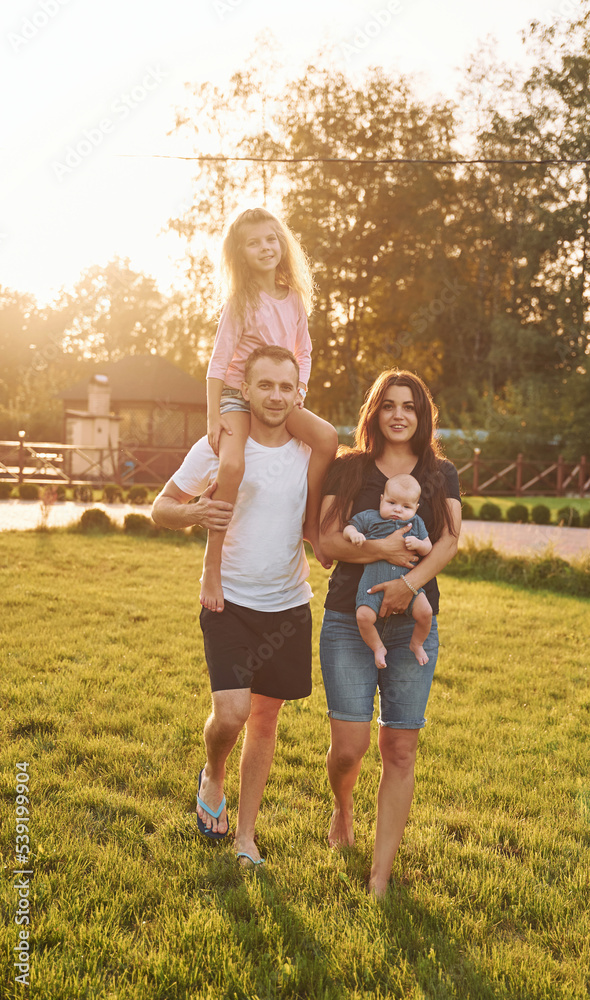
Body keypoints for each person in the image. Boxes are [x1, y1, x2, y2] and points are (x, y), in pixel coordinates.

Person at [152, 346, 336, 865]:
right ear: (247, 391)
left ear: (297, 394)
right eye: (266, 385)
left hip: (288, 603)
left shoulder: (306, 452)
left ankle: (246, 837)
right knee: (230, 714)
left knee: (266, 719)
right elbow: (160, 507)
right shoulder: (220, 444)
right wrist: (194, 515)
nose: (276, 396)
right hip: (228, 600)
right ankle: (213, 772)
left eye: (286, 387)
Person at [319, 369, 462, 898]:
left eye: (410, 405)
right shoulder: (349, 469)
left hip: (410, 627)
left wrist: (408, 585)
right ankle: (342, 806)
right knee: (350, 748)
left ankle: (380, 875)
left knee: (400, 747)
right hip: (347, 620)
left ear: (423, 416)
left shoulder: (440, 473)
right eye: (389, 405)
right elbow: (330, 541)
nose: (399, 413)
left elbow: (448, 543)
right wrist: (379, 551)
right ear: (374, 413)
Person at [202, 207, 337, 612]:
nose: (265, 247)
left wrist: (301, 391)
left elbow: (305, 352)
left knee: (327, 438)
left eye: (271, 239)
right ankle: (212, 562)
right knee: (231, 467)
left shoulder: (293, 298)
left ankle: (310, 524)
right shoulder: (240, 301)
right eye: (254, 242)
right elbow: (218, 362)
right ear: (241, 254)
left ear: (282, 245)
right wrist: (213, 415)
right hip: (235, 396)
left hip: (280, 393)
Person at [342, 473, 433, 669]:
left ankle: (416, 643)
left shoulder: (416, 523)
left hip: (409, 588)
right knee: (363, 617)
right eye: (392, 502)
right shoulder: (369, 517)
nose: (397, 510)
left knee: (426, 613)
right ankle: (378, 647)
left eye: (406, 506)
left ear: (416, 508)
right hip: (372, 588)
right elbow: (348, 528)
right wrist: (355, 534)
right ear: (381, 500)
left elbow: (428, 547)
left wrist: (418, 543)